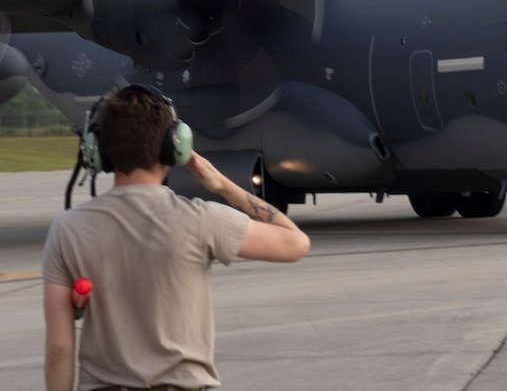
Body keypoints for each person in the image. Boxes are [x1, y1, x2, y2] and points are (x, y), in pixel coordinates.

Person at [42, 85, 311, 391]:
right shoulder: (200, 219)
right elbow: (295, 243)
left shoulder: (68, 229)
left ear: (98, 150)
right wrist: (222, 184)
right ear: (176, 147)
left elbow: (59, 348)